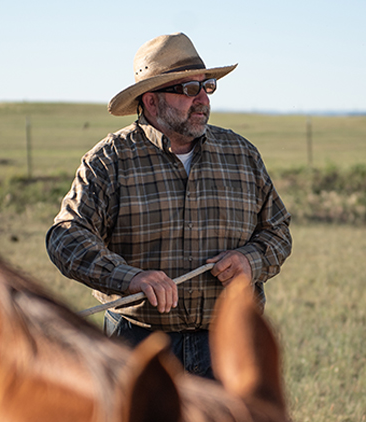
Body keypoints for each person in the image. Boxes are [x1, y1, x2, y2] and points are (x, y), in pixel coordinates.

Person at [46, 32, 292, 379]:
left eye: (207, 87)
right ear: (151, 102)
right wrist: (130, 278)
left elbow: (277, 231)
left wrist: (250, 260)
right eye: (189, 90)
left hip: (229, 344)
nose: (203, 99)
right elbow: (65, 238)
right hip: (139, 346)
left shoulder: (241, 155)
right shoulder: (109, 161)